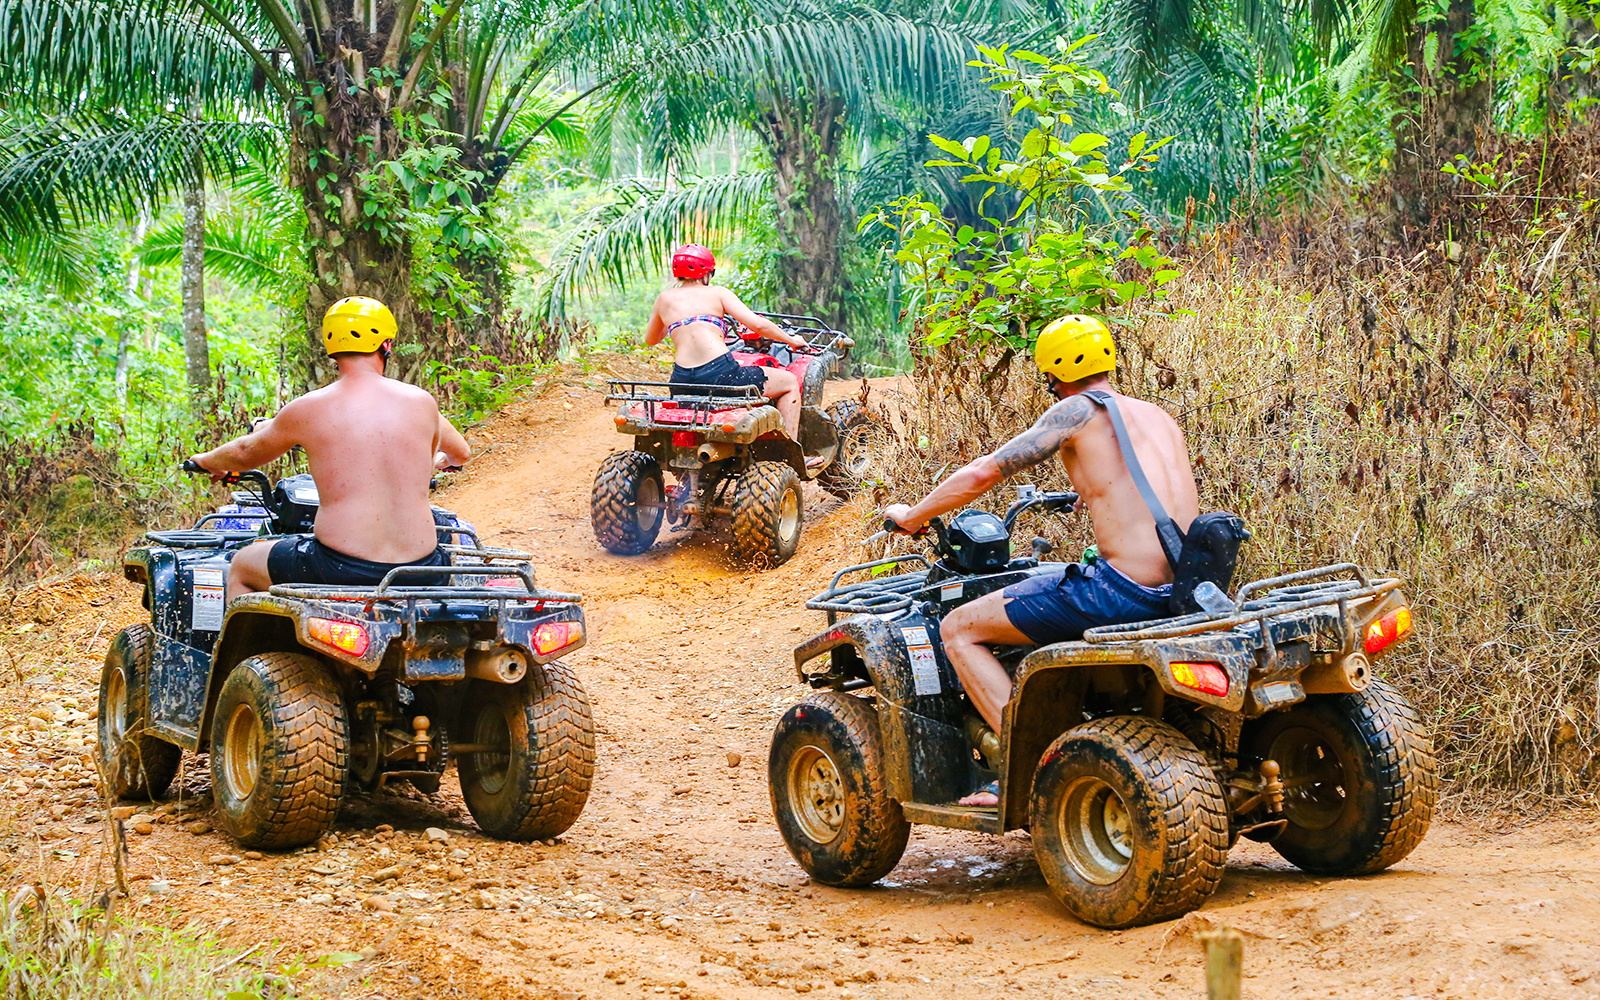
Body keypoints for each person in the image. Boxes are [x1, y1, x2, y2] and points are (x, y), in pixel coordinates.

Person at [882, 314, 1199, 806]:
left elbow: (983, 474)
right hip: (1185, 587)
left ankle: (1028, 763)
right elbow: (1143, 485)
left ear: (1053, 371)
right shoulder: (1156, 415)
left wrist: (913, 514)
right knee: (1053, 583)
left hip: (1122, 590)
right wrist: (1088, 493)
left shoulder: (1075, 412)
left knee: (959, 630)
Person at [189, 296, 473, 601]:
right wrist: (442, 460)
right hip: (422, 568)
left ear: (330, 344)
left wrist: (206, 460)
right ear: (386, 344)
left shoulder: (309, 408)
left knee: (244, 563)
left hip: (339, 567)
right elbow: (461, 453)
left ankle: (235, 649)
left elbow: (246, 452)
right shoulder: (421, 402)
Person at [644, 244, 809, 439]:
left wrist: (674, 322)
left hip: (682, 380)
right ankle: (790, 449)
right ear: (707, 273)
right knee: (789, 382)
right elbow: (759, 325)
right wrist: (791, 340)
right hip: (720, 375)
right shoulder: (717, 293)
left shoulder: (664, 299)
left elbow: (651, 339)